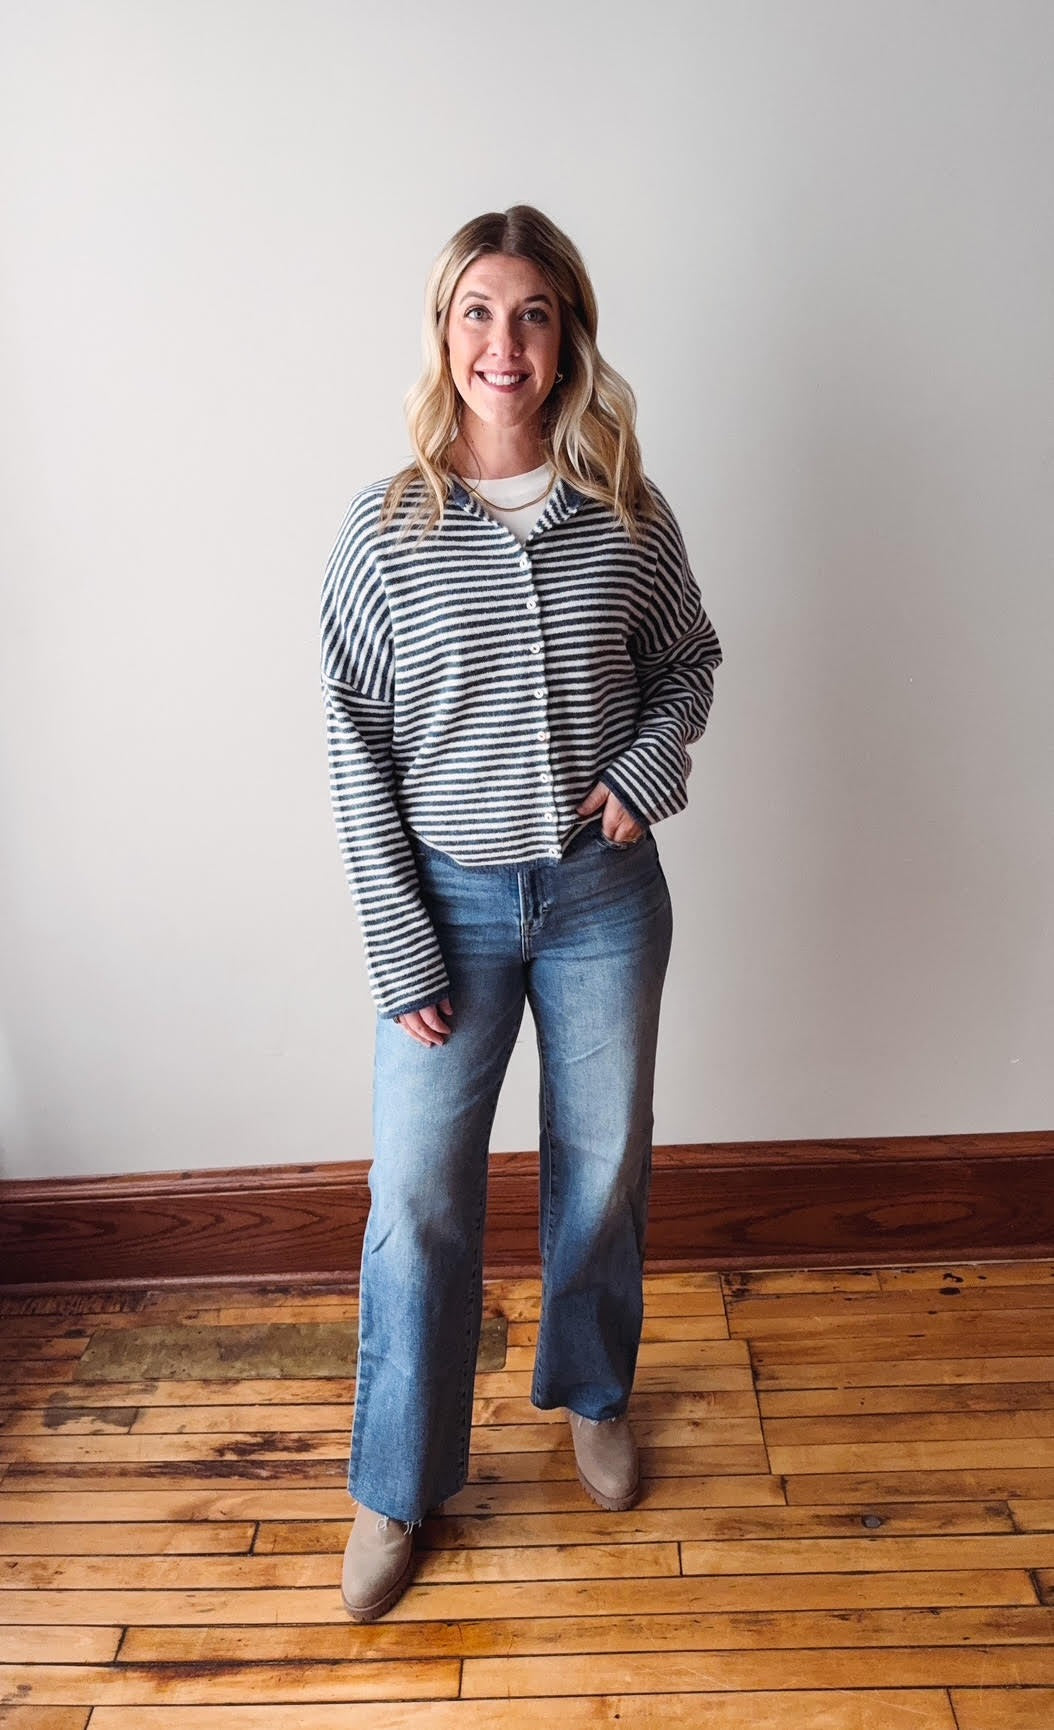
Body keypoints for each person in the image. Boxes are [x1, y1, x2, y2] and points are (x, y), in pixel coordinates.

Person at [320, 204, 722, 1623]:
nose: (506, 342)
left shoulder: (624, 508)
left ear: (568, 338)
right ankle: (394, 1481)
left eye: (534, 313)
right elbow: (354, 743)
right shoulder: (384, 533)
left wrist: (639, 771)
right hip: (448, 911)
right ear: (445, 333)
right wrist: (400, 940)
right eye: (480, 312)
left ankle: (593, 1393)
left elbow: (687, 661)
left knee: (602, 1168)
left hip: (606, 898)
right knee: (418, 1199)